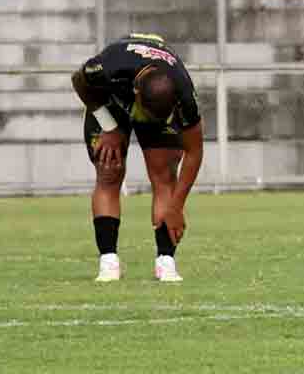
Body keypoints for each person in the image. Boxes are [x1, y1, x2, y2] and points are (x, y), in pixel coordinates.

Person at [71, 33, 204, 283]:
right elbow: (78, 81)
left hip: (154, 98)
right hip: (109, 102)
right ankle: (108, 261)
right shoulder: (106, 67)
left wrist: (177, 206)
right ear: (136, 93)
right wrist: (108, 126)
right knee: (108, 169)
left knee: (164, 173)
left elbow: (195, 151)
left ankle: (166, 261)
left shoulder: (183, 92)